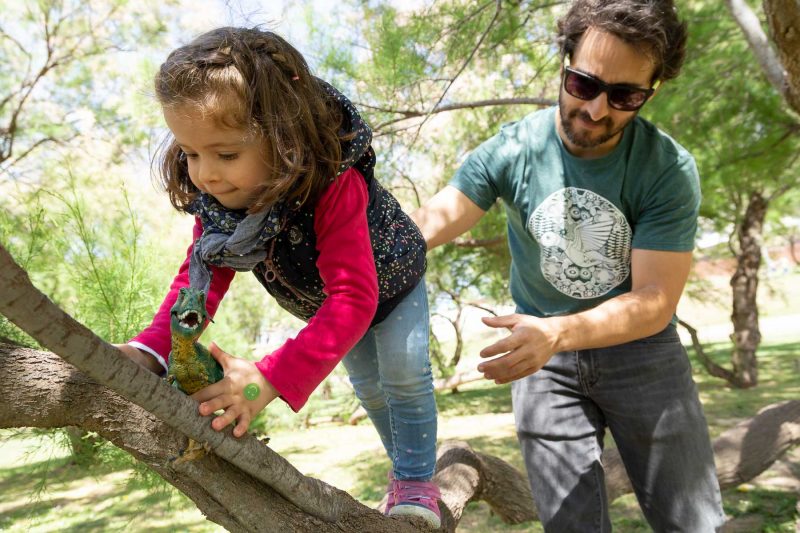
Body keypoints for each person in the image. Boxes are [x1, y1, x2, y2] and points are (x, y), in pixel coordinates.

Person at [411, 0, 725, 531]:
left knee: (693, 522)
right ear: (565, 61)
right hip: (544, 366)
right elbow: (424, 227)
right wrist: (342, 264)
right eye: (583, 84)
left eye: (624, 96)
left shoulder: (667, 169)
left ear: (651, 92)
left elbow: (654, 301)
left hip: (642, 353)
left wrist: (558, 333)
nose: (597, 110)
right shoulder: (513, 149)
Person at [115, 27, 441, 528]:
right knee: (370, 389)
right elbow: (197, 285)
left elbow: (354, 297)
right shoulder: (220, 206)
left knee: (403, 373)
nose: (206, 174)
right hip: (330, 309)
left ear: (282, 135)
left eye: (226, 154)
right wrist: (151, 351)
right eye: (191, 153)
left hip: (391, 285)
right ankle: (404, 471)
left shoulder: (334, 185)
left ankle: (417, 481)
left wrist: (268, 378)